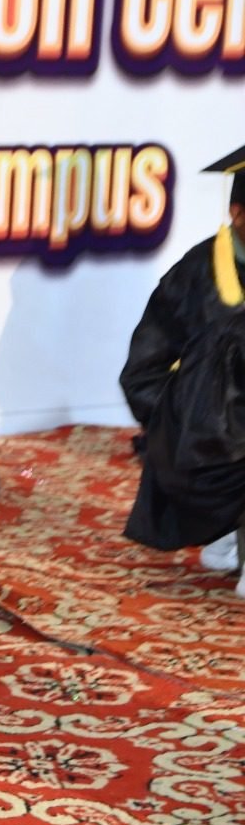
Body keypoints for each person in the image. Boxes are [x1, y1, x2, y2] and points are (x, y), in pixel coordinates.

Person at [124, 146, 245, 573]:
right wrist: (177, 422)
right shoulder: (195, 274)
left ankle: (229, 535)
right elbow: (143, 370)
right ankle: (228, 532)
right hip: (203, 439)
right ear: (237, 213)